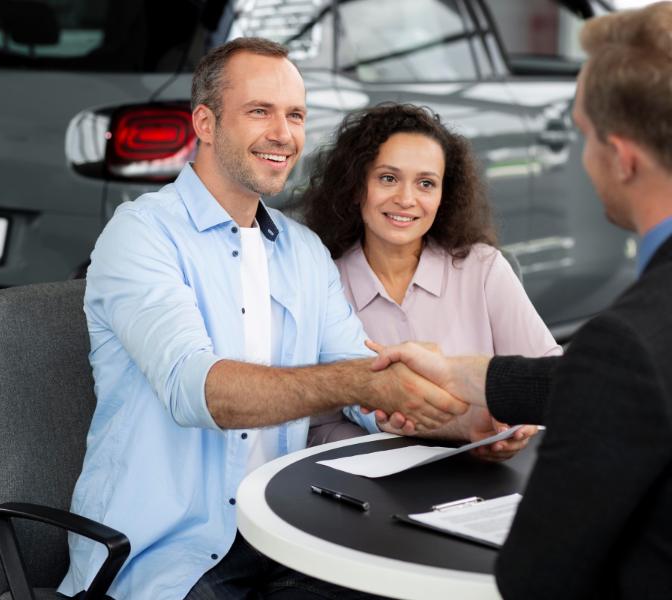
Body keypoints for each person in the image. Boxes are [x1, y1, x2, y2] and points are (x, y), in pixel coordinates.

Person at [58, 37, 477, 600]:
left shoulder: (302, 251)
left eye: (296, 115)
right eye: (260, 111)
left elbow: (365, 379)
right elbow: (198, 391)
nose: (284, 134)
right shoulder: (141, 235)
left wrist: (471, 427)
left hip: (284, 536)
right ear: (205, 123)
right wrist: (360, 381)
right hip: (168, 555)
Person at [370, 3, 672, 598]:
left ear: (623, 155)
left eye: (583, 136)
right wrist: (463, 374)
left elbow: (535, 573)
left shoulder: (628, 344)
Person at [302, 104, 560, 445]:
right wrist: (398, 436)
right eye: (388, 178)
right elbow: (317, 426)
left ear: (443, 196)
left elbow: (550, 376)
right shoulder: (323, 283)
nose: (406, 199)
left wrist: (513, 430)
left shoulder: (483, 269)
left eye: (426, 183)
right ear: (355, 187)